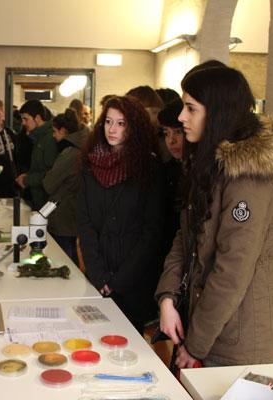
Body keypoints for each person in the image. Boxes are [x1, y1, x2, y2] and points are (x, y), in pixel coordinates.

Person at [155, 64, 273, 368]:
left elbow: (232, 271)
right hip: (208, 327)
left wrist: (194, 346)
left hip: (240, 340)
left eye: (190, 108)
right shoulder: (209, 165)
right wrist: (167, 296)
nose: (181, 118)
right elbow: (186, 237)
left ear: (218, 111)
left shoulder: (250, 177)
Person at [77, 95, 164, 333]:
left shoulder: (149, 168)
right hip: (98, 278)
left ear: (134, 127)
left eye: (121, 123)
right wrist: (99, 276)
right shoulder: (89, 165)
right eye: (108, 121)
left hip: (135, 282)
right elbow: (85, 224)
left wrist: (119, 281)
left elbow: (151, 232)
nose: (112, 129)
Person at [43, 108, 88, 264]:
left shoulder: (70, 152)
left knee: (64, 261)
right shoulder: (83, 145)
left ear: (63, 130)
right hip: (74, 212)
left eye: (55, 132)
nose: (54, 136)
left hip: (64, 215)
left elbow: (48, 184)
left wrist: (50, 173)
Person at [16, 99, 58, 210]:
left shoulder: (49, 139)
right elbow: (38, 167)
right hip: (38, 199)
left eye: (26, 119)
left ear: (38, 118)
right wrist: (26, 175)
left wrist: (26, 180)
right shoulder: (38, 137)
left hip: (46, 203)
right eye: (22, 119)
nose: (23, 123)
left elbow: (51, 175)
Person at [157, 98, 185, 258]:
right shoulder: (166, 171)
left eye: (178, 132)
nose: (171, 140)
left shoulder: (203, 172)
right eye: (166, 133)